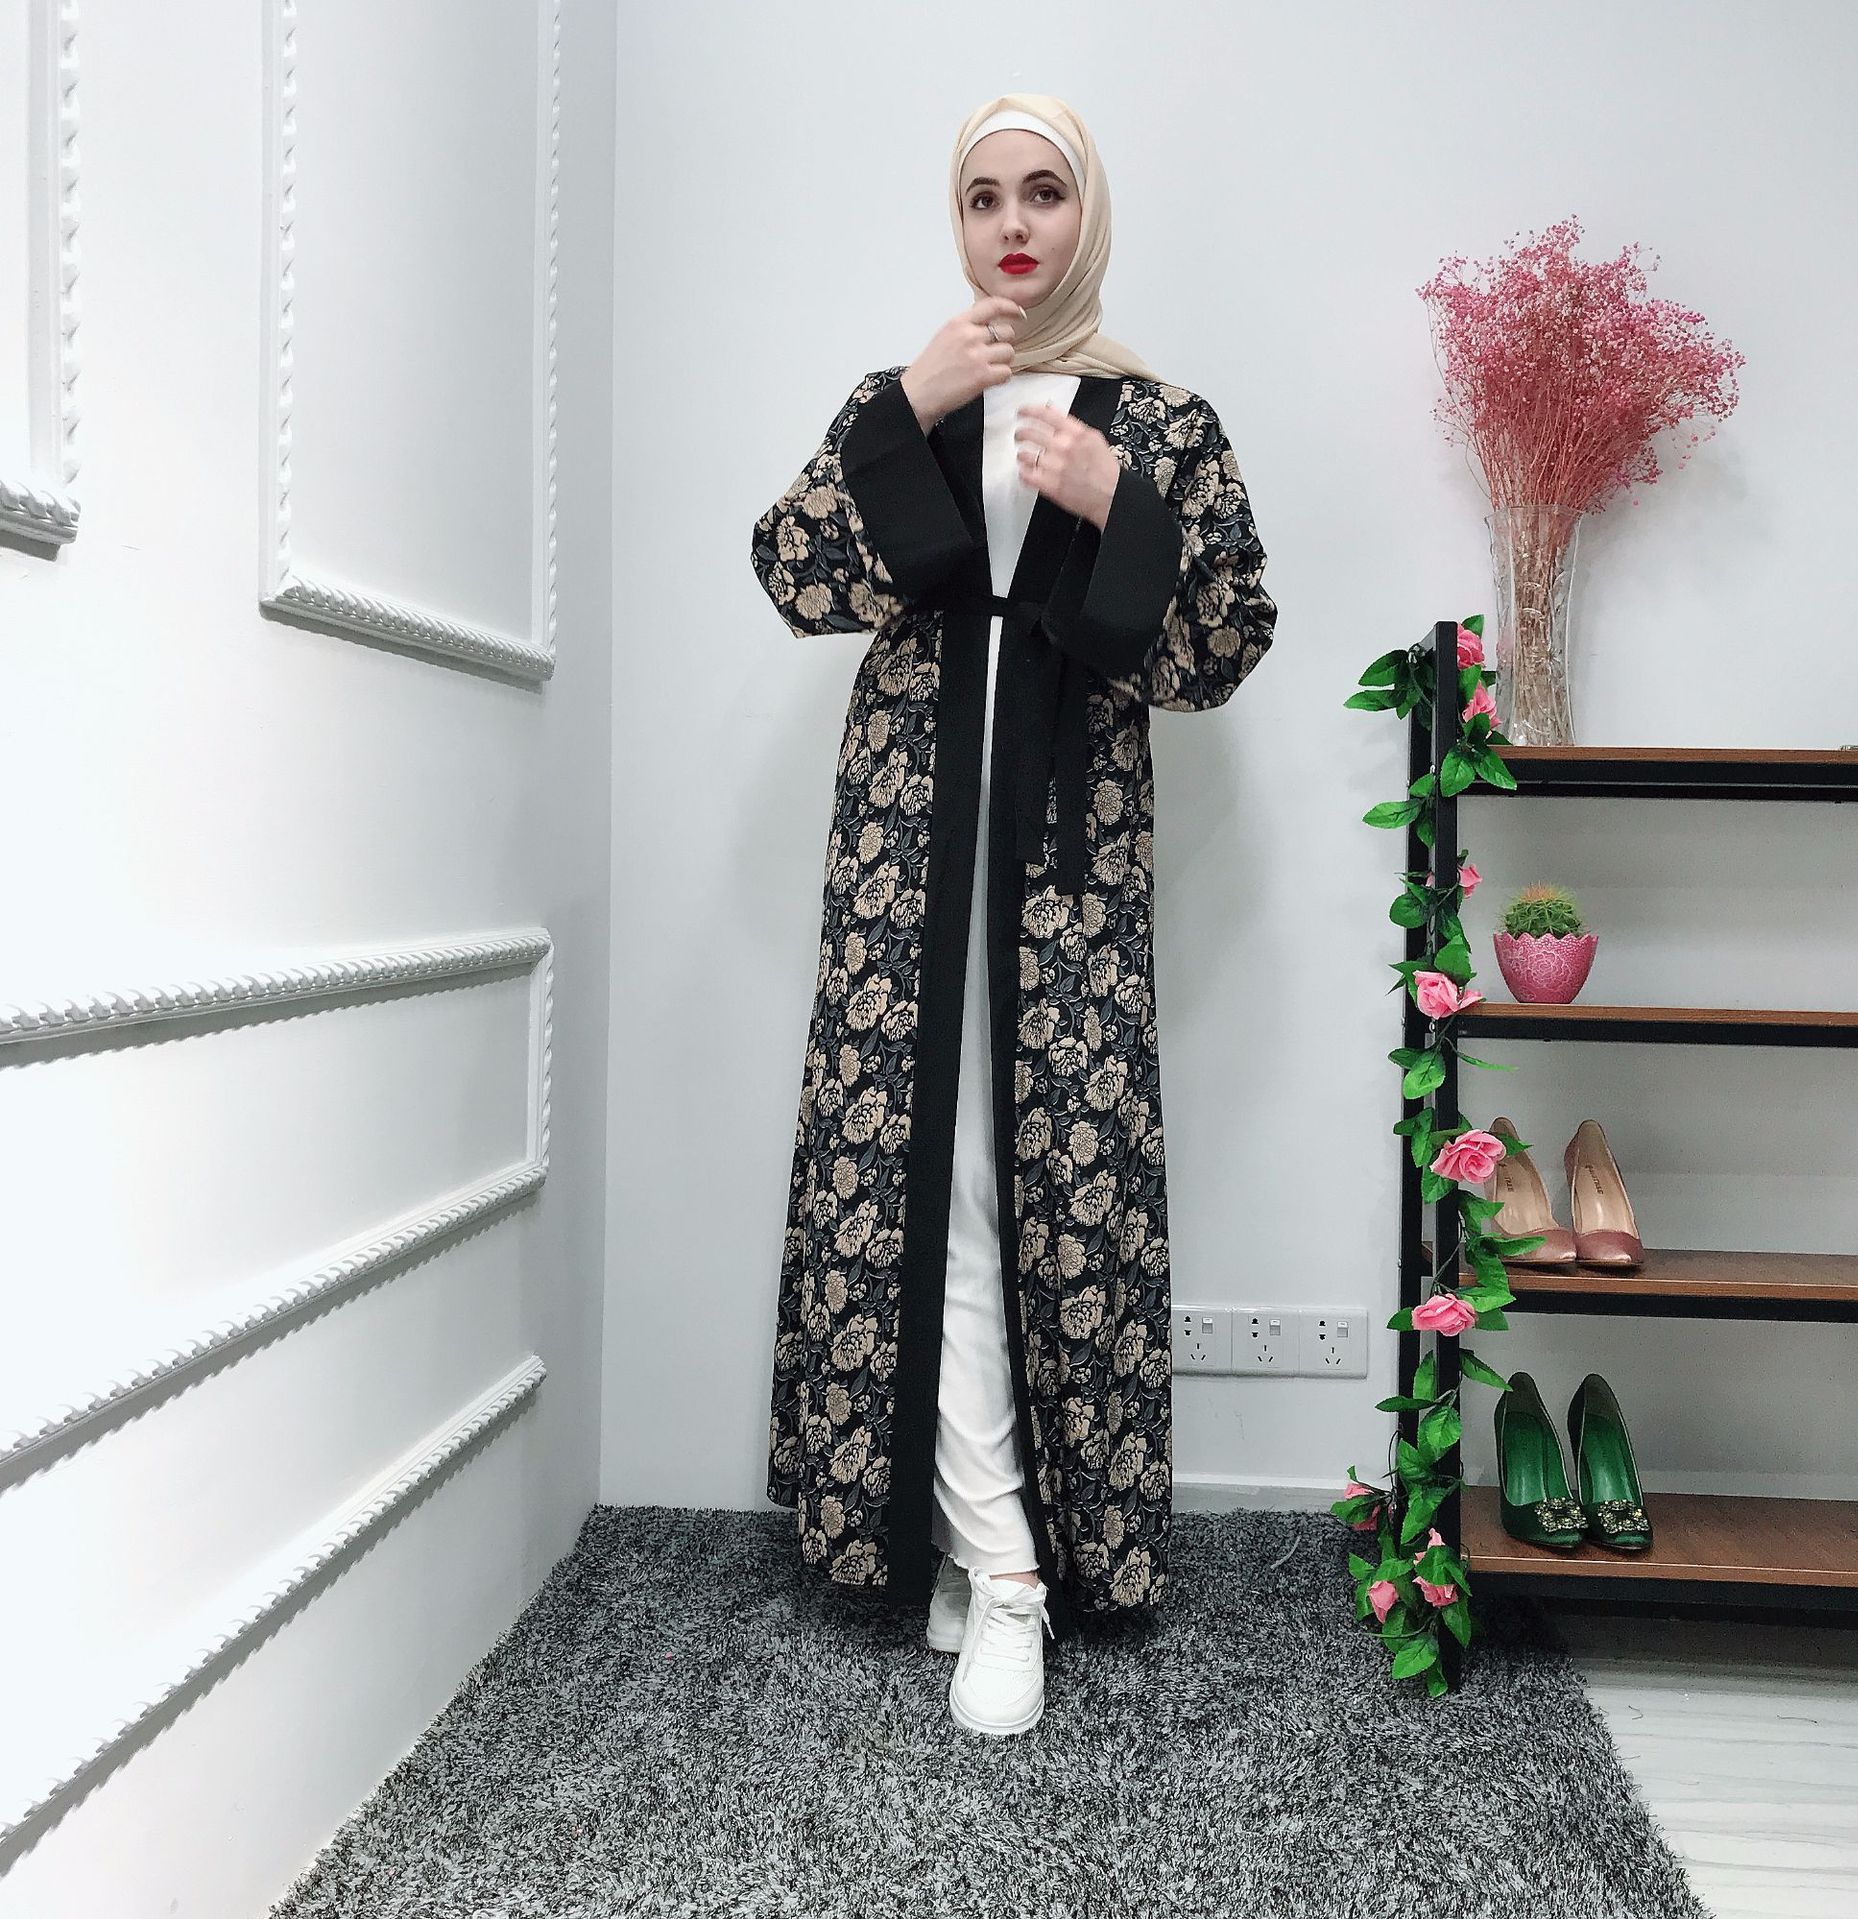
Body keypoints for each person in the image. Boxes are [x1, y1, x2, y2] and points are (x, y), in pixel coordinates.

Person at [749, 92, 1277, 1739]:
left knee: (1044, 1181)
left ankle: (998, 1555)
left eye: (1043, 192)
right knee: (928, 1183)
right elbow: (793, 575)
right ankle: (1000, 1565)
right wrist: (907, 408)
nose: (1013, 225)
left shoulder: (1162, 422)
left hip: (1066, 852)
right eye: (983, 198)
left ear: (1086, 211)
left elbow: (1220, 647)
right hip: (905, 850)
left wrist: (1124, 502)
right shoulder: (908, 394)